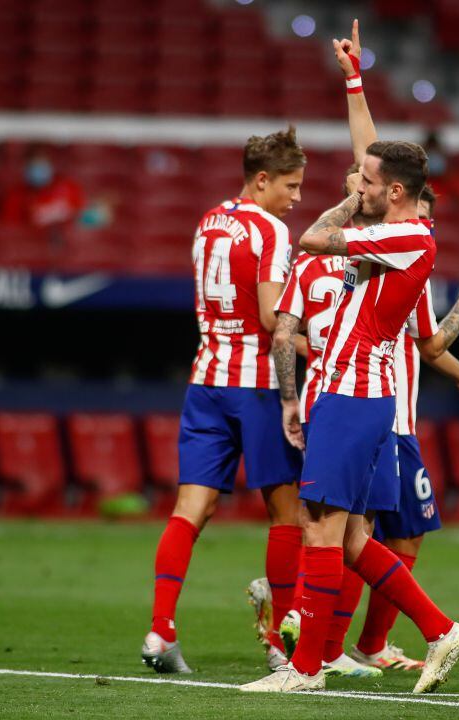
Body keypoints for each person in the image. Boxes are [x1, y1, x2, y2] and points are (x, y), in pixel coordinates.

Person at [251, 23, 459, 680]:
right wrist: (355, 82)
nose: (354, 182)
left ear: (391, 193)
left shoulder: (407, 241)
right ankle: (438, 631)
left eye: (364, 181)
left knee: (326, 531)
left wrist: (348, 200)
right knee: (354, 536)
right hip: (350, 396)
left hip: (356, 397)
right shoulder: (395, 234)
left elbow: (311, 237)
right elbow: (373, 156)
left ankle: (306, 667)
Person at [140, 126, 306, 674]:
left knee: (192, 508)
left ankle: (161, 630)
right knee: (287, 511)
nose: (296, 197)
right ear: (262, 180)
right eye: (290, 185)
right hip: (256, 385)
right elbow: (269, 319)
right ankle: (284, 648)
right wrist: (326, 342)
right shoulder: (272, 231)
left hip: (206, 378)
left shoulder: (209, 220)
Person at [0, 145, 90, 239]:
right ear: (25, 169)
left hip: (66, 245)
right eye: (33, 166)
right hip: (31, 246)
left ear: (50, 164)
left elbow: (82, 219)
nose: (38, 170)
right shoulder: (16, 197)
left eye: (42, 165)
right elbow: (11, 232)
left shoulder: (68, 188)